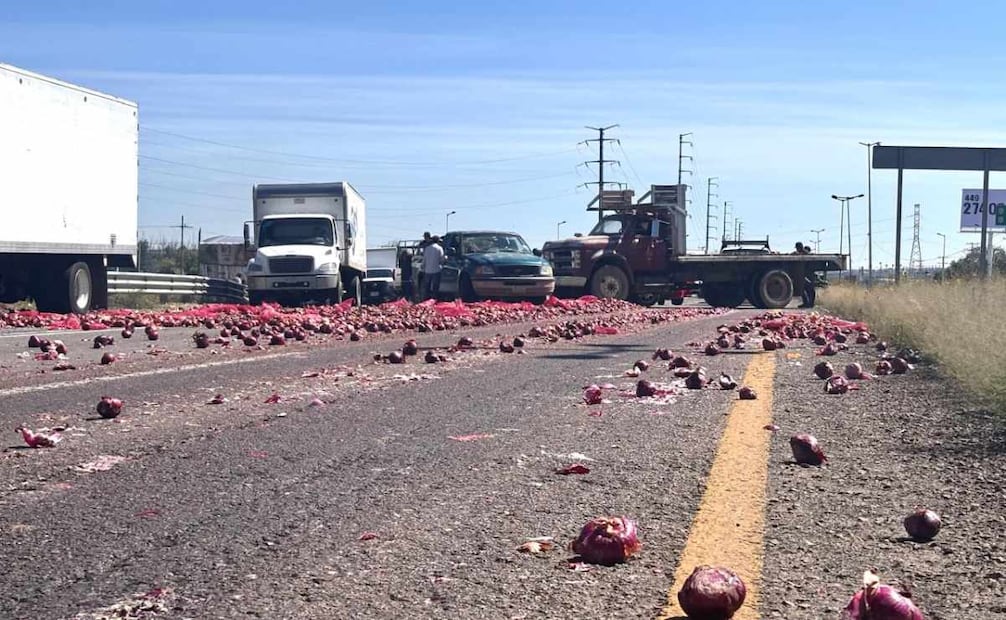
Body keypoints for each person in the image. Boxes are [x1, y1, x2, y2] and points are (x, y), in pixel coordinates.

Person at [421, 235, 445, 300]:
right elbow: (442, 260)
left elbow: (424, 260)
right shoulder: (439, 248)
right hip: (436, 270)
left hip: (427, 271)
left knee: (427, 287)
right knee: (435, 287)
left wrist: (423, 267)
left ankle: (426, 300)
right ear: (437, 241)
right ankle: (434, 300)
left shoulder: (427, 248)